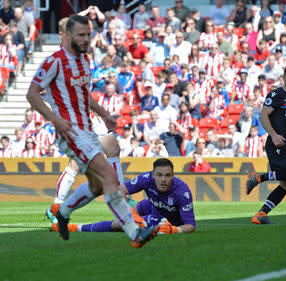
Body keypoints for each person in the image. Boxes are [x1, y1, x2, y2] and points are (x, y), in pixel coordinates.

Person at [26, 15, 157, 247]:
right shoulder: (53, 62)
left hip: (88, 127)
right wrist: (55, 119)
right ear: (66, 36)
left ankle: (63, 212)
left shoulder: (84, 61)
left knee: (97, 185)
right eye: (81, 35)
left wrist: (104, 113)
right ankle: (134, 232)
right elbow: (32, 94)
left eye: (88, 34)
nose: (86, 39)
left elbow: (84, 94)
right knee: (109, 176)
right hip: (71, 132)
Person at [53, 158, 196, 235]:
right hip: (151, 204)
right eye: (159, 175)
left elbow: (191, 226)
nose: (163, 180)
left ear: (173, 176)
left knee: (118, 225)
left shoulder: (182, 192)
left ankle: (76, 227)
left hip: (165, 219)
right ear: (153, 175)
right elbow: (120, 190)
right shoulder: (146, 178)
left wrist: (175, 230)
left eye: (167, 175)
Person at [245, 65, 286, 224]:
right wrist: (274, 135)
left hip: (285, 144)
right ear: (284, 77)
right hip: (275, 144)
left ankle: (261, 214)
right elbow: (263, 117)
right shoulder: (276, 94)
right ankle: (259, 177)